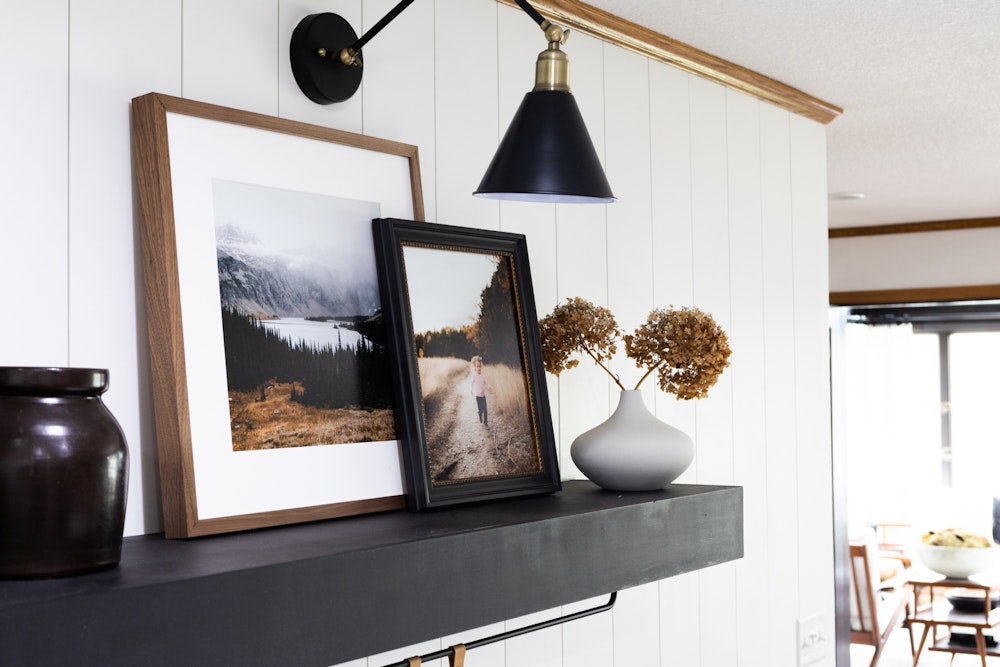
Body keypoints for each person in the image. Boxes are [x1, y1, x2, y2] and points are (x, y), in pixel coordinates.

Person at [469, 355, 491, 428]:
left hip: (483, 395)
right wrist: (471, 390)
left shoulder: (483, 376)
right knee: (480, 410)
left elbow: (486, 382)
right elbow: (471, 383)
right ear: (475, 368)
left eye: (480, 366)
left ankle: (485, 422)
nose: (479, 368)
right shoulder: (474, 376)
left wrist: (489, 386)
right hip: (478, 396)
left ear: (481, 367)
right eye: (477, 366)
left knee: (485, 409)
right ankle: (479, 414)